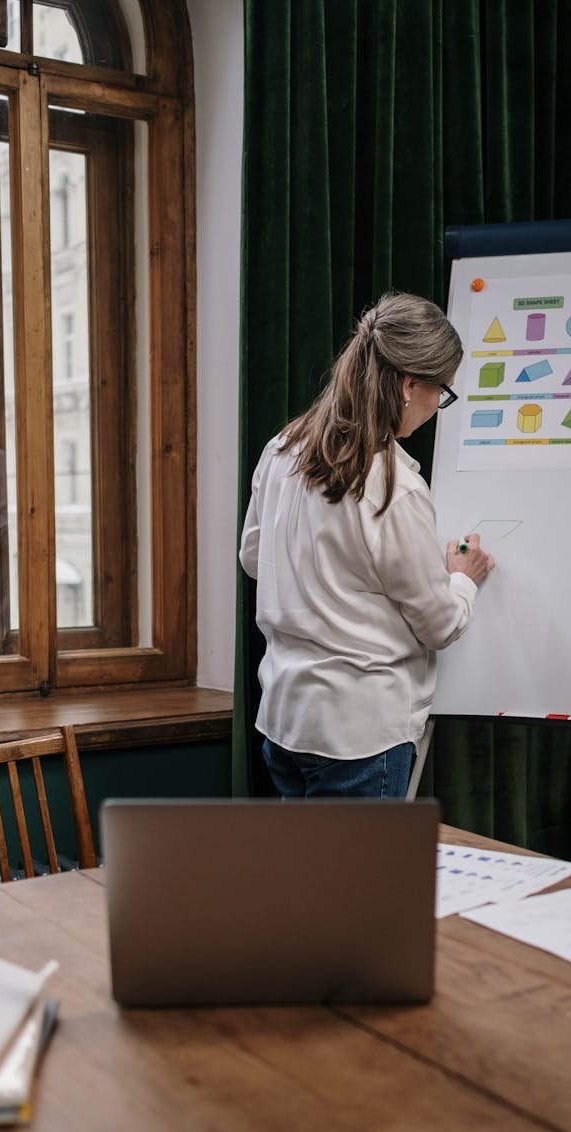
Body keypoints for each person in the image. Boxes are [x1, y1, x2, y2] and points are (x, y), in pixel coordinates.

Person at [239, 290, 494, 798]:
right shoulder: (395, 486)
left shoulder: (284, 447)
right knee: (363, 880)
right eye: (441, 392)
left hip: (285, 720)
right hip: (360, 737)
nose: (437, 408)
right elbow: (440, 623)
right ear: (407, 384)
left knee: (313, 877)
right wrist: (463, 579)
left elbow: (253, 558)